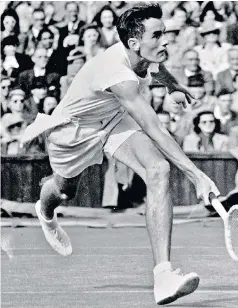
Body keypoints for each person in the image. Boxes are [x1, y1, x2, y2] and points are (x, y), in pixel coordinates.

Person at [22, 4, 219, 305]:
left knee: (159, 169)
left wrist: (171, 85)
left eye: (165, 33)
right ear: (134, 43)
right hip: (74, 130)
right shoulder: (116, 71)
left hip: (113, 118)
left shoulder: (143, 54)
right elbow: (154, 128)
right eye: (158, 35)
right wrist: (196, 175)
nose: (166, 41)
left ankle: (163, 277)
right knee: (64, 190)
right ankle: (45, 212)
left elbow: (155, 67)